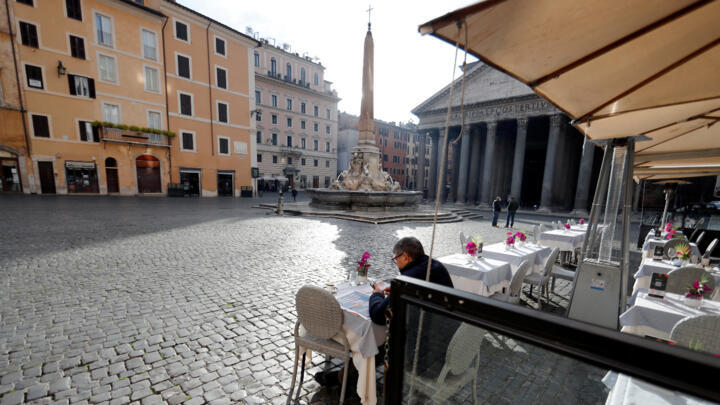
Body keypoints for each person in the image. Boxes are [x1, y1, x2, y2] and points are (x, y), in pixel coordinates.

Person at [369, 237, 453, 325]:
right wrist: (395, 291)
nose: (396, 263)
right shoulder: (436, 265)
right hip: (446, 322)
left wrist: (377, 294)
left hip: (428, 329)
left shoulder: (408, 279)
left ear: (405, 257)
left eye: (396, 259)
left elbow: (378, 316)